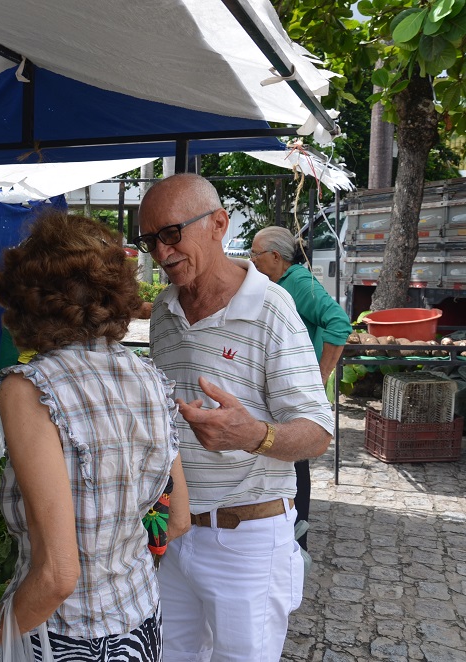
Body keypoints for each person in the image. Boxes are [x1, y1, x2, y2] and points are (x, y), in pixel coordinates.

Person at [0, 210, 188, 662]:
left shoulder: (30, 388)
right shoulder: (150, 376)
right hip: (141, 621)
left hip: (65, 637)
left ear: (26, 299)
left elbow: (57, 575)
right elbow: (177, 519)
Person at [136, 174, 333, 662]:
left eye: (171, 234)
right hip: (171, 534)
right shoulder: (163, 310)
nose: (161, 253)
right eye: (149, 240)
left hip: (245, 543)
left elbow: (318, 434)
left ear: (218, 224)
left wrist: (254, 435)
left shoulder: (272, 307)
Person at [251, 225, 352, 551]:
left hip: (298, 391)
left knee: (297, 464)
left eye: (255, 254)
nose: (251, 260)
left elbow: (339, 322)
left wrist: (319, 376)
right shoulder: (282, 282)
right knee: (289, 462)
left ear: (275, 257)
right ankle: (289, 536)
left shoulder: (298, 282)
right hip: (285, 390)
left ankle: (297, 542)